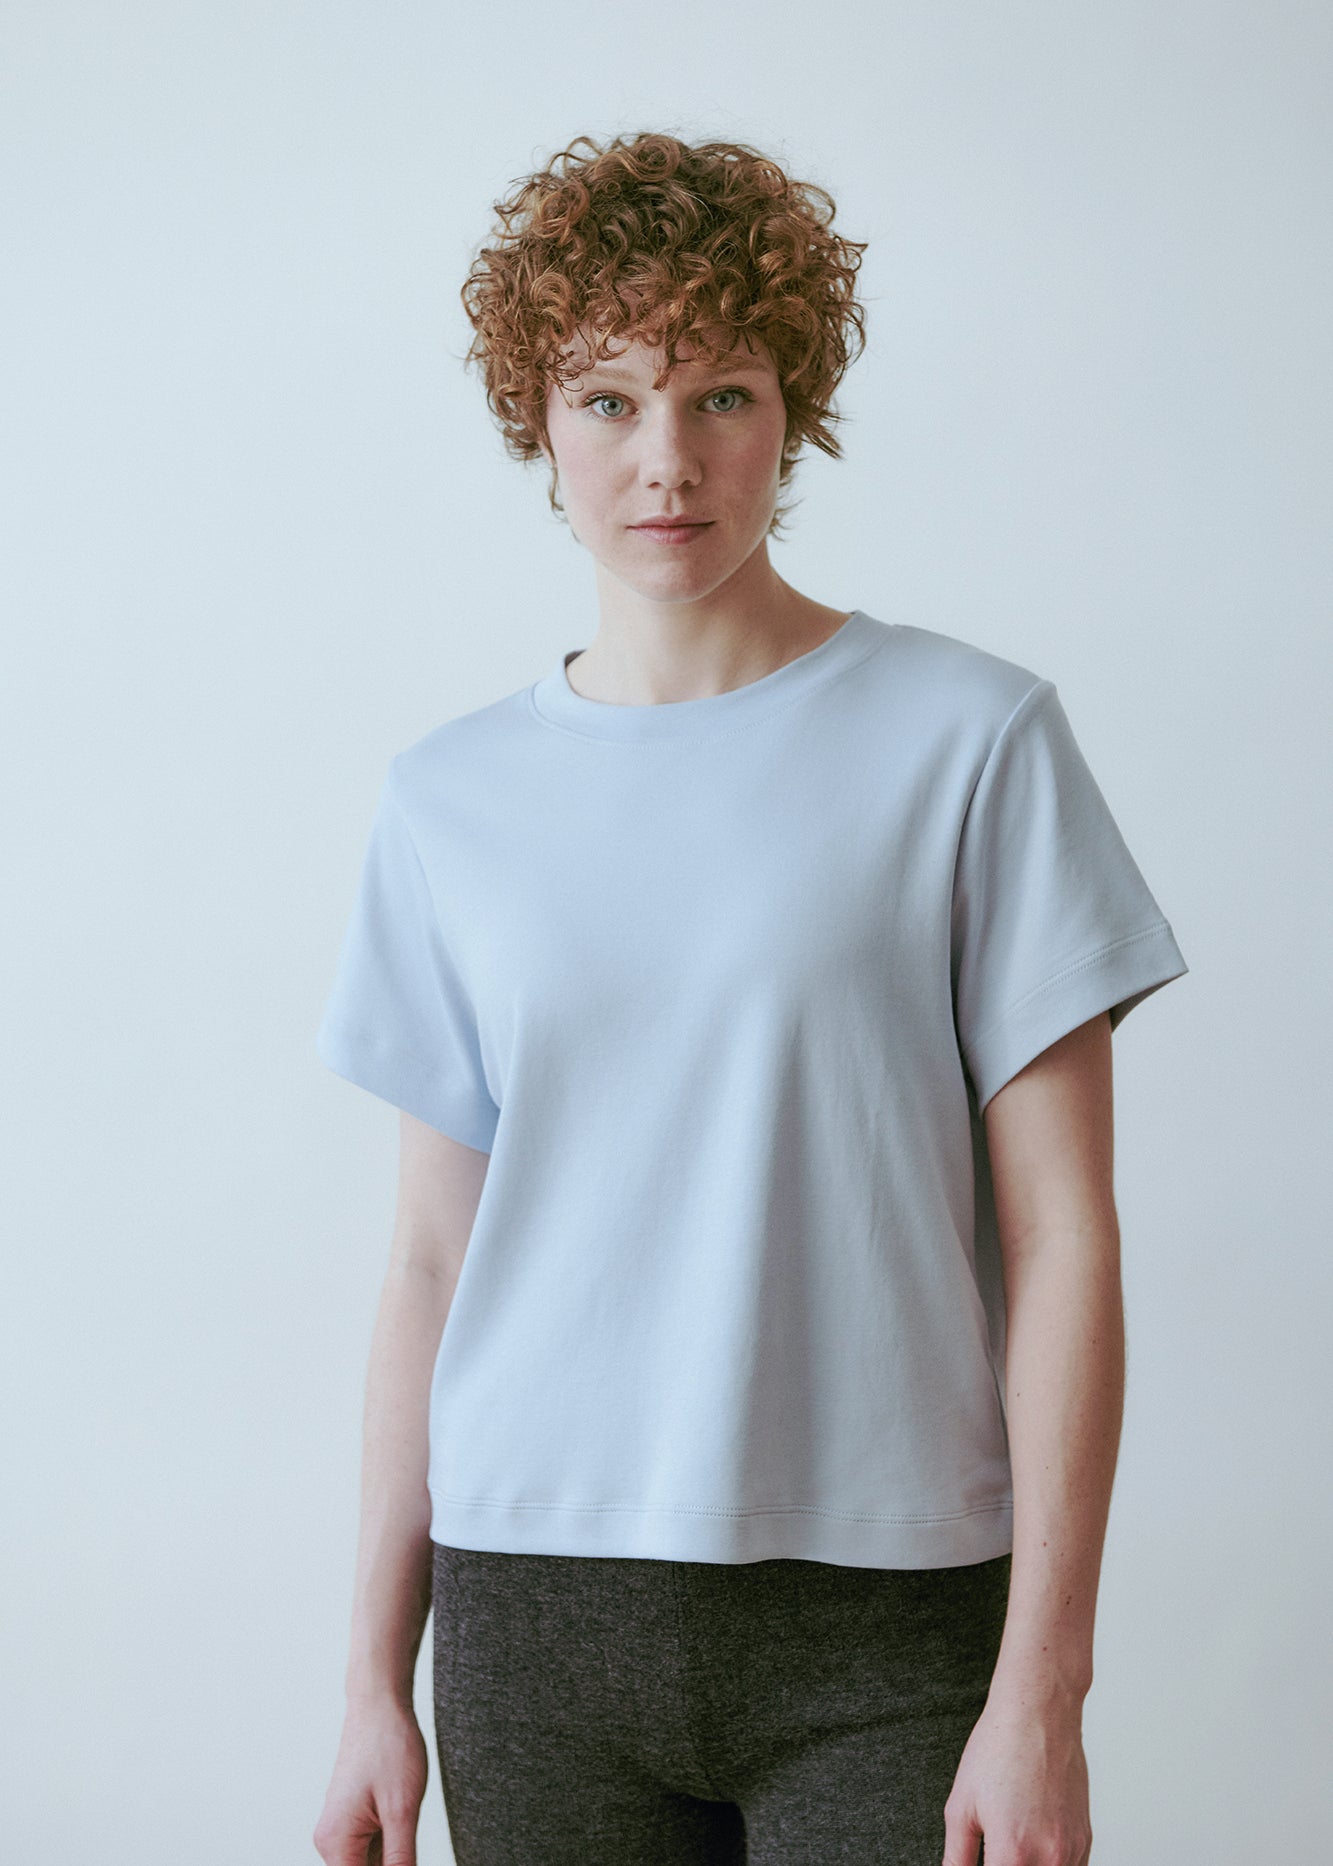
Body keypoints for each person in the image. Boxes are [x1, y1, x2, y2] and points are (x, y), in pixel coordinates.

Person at [311, 131, 1188, 1866]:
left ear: (794, 408)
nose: (666, 460)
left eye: (720, 393)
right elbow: (427, 1262)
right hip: (533, 1621)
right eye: (607, 399)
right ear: (538, 419)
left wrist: (1042, 1687)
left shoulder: (970, 741)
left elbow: (1066, 1235)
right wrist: (365, 1678)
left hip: (885, 1621)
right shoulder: (447, 799)